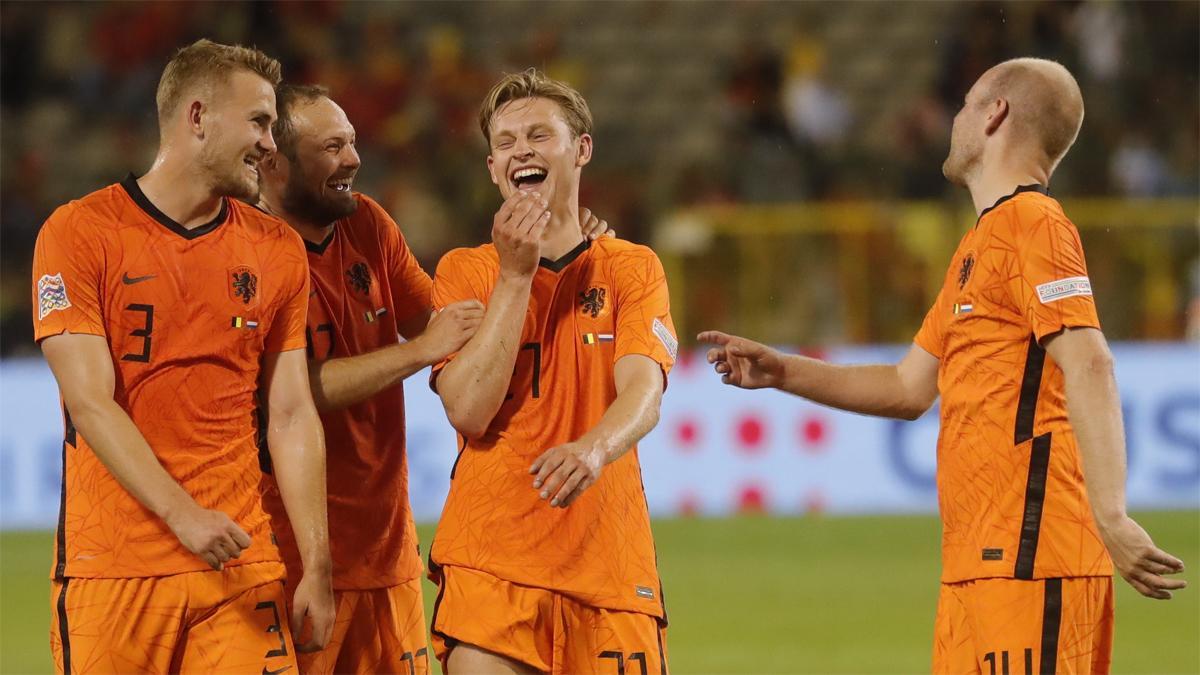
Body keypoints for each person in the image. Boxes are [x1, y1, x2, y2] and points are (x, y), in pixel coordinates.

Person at [700, 58, 1186, 674]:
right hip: (975, 567)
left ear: (995, 114)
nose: (953, 119)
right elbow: (908, 386)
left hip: (1033, 559)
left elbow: (1089, 359)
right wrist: (783, 372)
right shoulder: (978, 246)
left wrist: (1111, 513)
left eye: (964, 104)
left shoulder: (1033, 222)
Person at [255, 83, 611, 674]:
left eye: (351, 142)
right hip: (289, 553)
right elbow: (282, 397)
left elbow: (455, 325)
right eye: (331, 147)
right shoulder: (245, 250)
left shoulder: (367, 225)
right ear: (273, 163)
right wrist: (416, 352)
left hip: (384, 553)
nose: (353, 159)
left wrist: (565, 254)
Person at [32, 40, 334, 673]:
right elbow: (90, 402)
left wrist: (316, 565)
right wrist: (183, 515)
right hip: (115, 571)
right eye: (257, 121)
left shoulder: (277, 251)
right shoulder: (79, 232)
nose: (270, 143)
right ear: (198, 117)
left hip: (242, 565)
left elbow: (291, 413)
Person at [428, 68, 677, 674]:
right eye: (507, 143)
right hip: (492, 562)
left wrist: (594, 449)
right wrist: (516, 276)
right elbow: (467, 409)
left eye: (539, 136)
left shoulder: (632, 268)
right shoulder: (464, 272)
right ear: (492, 169)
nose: (522, 152)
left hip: (609, 566)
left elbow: (644, 391)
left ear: (581, 150)